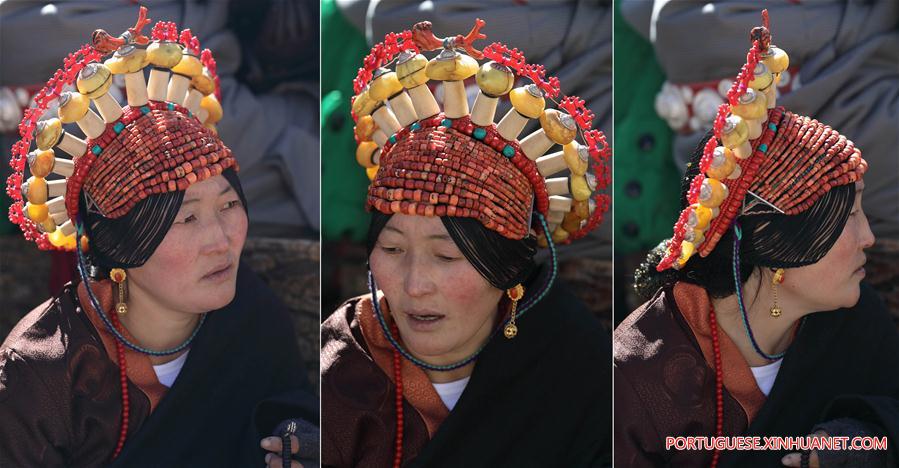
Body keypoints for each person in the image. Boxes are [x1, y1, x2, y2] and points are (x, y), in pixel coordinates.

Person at [0, 8, 316, 466]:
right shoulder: (41, 372)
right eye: (187, 219)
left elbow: (284, 405)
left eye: (229, 205)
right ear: (120, 244)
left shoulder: (249, 315)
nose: (221, 240)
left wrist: (299, 437)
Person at [320, 19, 613, 467]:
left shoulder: (580, 374)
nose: (415, 285)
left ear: (508, 268)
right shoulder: (342, 364)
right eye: (394, 249)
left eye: (446, 255)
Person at [614, 11, 899, 467]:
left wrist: (861, 438)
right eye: (846, 217)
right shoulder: (638, 370)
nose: (869, 237)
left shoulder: (854, 322)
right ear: (774, 241)